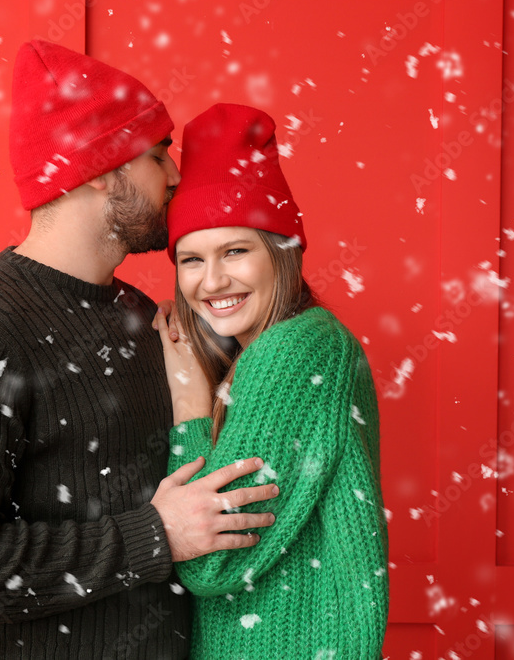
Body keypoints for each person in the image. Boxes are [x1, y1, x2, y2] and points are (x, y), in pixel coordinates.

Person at [0, 42, 279, 659]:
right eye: (157, 157)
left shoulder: (138, 314)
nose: (177, 176)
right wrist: (155, 534)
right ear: (103, 169)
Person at [152, 103, 389, 659]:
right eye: (191, 259)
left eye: (235, 251)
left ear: (282, 254)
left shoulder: (291, 349)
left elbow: (213, 560)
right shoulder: (301, 343)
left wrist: (188, 403)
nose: (212, 281)